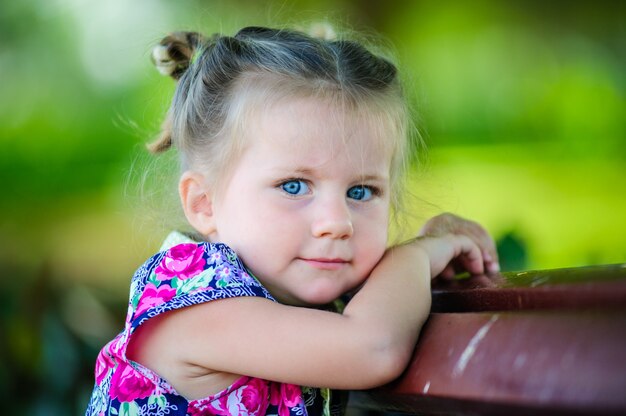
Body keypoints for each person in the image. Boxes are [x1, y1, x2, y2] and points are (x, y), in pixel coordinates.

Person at [86, 25, 499, 416]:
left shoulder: (294, 292)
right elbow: (373, 348)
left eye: (361, 192)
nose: (337, 223)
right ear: (205, 203)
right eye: (294, 186)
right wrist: (415, 257)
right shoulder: (194, 302)